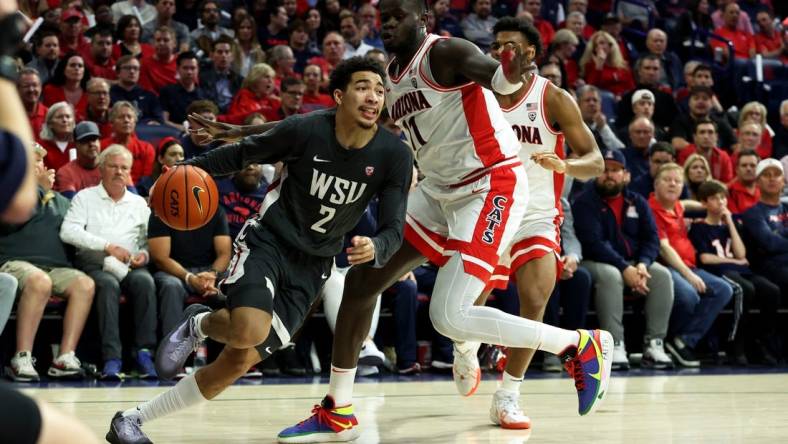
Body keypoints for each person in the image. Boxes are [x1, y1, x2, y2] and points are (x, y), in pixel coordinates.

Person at [281, 2, 610, 440]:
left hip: (489, 186)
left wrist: (510, 66)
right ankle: (337, 407)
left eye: (400, 14)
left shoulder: (446, 53)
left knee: (449, 315)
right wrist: (252, 135)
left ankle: (578, 345)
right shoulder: (388, 80)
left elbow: (498, 76)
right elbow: (333, 124)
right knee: (362, 283)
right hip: (438, 190)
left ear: (423, 19)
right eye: (384, 17)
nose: (390, 23)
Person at [105, 57, 414, 444]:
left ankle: (131, 420)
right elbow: (241, 154)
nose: (374, 97)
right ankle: (199, 322)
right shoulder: (305, 129)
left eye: (381, 90)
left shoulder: (394, 155)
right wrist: (179, 174)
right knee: (249, 327)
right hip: (269, 242)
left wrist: (377, 246)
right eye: (364, 87)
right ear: (339, 95)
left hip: (314, 265)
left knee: (236, 361)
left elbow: (394, 227)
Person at [469, 17, 605, 429]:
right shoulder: (475, 94)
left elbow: (595, 161)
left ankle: (508, 393)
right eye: (494, 46)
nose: (498, 52)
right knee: (463, 309)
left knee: (535, 300)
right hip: (484, 210)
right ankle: (465, 349)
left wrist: (564, 163)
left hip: (536, 213)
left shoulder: (553, 98)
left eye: (507, 45)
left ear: (530, 53)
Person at [60, 145, 158, 380]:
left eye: (124, 168)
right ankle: (112, 358)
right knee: (107, 285)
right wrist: (107, 246)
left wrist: (144, 255)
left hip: (129, 265)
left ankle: (144, 352)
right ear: (101, 169)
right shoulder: (85, 197)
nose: (119, 172)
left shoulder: (138, 203)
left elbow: (147, 242)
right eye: (113, 166)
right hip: (94, 263)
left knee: (145, 282)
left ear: (130, 172)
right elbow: (68, 231)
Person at [0, 145, 96, 381]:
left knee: (85, 284)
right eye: (31, 162)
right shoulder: (8, 195)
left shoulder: (62, 202)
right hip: (15, 263)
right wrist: (39, 191)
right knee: (39, 281)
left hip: (57, 267)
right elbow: (10, 223)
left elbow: (76, 235)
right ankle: (21, 357)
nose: (39, 167)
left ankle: (65, 357)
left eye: (40, 162)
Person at [648, 163, 733, 367]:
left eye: (677, 181)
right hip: (667, 267)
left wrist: (709, 206)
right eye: (667, 180)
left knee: (723, 289)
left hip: (689, 265)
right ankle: (669, 340)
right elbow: (664, 249)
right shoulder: (651, 209)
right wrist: (689, 275)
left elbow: (686, 204)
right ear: (656, 184)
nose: (673, 184)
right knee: (688, 295)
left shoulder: (677, 205)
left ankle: (684, 340)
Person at [689, 180, 781, 365]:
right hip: (718, 272)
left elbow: (742, 253)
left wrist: (730, 221)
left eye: (723, 198)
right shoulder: (699, 227)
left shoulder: (731, 227)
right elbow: (706, 259)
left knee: (772, 291)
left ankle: (758, 340)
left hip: (742, 270)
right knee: (744, 290)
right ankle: (734, 343)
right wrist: (734, 261)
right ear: (705, 203)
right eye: (715, 199)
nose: (721, 202)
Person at [55, 121, 102, 198]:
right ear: (76, 144)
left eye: (94, 139)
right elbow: (72, 204)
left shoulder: (114, 166)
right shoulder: (66, 172)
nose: (91, 144)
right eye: (85, 140)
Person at [727, 149, 761, 214]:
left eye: (752, 165)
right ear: (737, 169)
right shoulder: (729, 191)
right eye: (744, 165)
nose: (748, 169)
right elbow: (735, 219)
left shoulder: (765, 188)